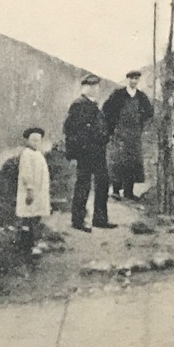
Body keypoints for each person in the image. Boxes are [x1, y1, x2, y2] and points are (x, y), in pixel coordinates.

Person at [64, 74, 113, 231]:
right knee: (83, 184)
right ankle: (78, 220)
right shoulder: (79, 105)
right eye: (90, 86)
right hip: (86, 152)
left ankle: (100, 218)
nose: (94, 89)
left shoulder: (93, 104)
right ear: (84, 88)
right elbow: (72, 130)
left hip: (98, 151)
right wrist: (79, 150)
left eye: (96, 86)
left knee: (102, 183)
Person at [102, 71, 154, 202]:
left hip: (134, 135)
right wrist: (112, 128)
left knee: (132, 162)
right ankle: (115, 190)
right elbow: (106, 110)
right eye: (132, 79)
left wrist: (141, 126)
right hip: (119, 133)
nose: (134, 81)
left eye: (136, 79)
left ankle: (128, 192)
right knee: (118, 161)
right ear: (127, 80)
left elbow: (149, 113)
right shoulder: (118, 94)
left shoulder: (141, 97)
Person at [15, 126, 51, 256]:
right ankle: (27, 245)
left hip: (39, 191)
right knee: (28, 218)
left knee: (36, 216)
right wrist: (30, 189)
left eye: (38, 140)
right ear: (27, 141)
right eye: (33, 140)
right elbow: (26, 173)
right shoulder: (26, 154)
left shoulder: (38, 154)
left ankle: (36, 241)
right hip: (30, 191)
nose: (36, 143)